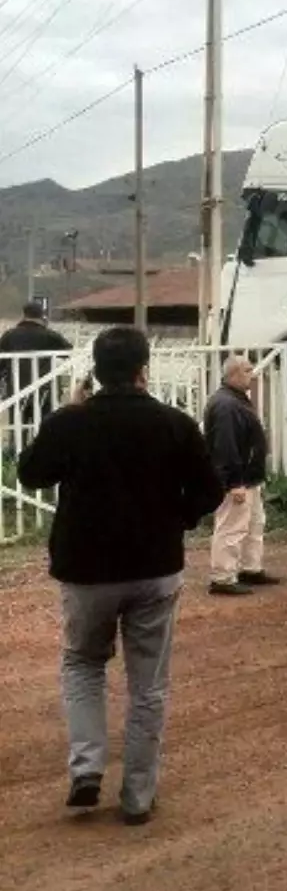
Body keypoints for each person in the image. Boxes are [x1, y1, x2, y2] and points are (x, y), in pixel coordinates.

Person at [16, 326, 224, 823]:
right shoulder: (173, 424)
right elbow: (209, 491)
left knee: (83, 664)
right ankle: (138, 795)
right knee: (147, 685)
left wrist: (67, 411)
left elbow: (31, 475)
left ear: (95, 371)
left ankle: (86, 768)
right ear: (143, 369)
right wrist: (177, 519)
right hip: (154, 568)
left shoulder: (73, 423)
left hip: (85, 570)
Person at [204, 354, 280, 596]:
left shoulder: (234, 400)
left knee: (253, 524)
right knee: (232, 526)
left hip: (248, 478)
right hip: (238, 480)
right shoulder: (228, 405)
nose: (252, 374)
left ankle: (250, 568)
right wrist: (234, 482)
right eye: (247, 370)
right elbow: (226, 446)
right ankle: (223, 577)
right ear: (233, 374)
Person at [0, 300, 70, 425]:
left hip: (17, 391)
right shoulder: (50, 335)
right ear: (41, 315)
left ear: (24, 314)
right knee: (43, 428)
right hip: (44, 391)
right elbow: (69, 353)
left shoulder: (9, 336)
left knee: (18, 430)